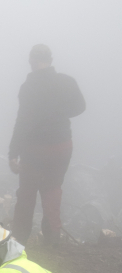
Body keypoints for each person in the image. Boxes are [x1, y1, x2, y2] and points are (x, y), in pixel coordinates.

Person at [8, 44, 85, 245]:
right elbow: (80, 107)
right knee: (53, 189)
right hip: (62, 147)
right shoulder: (67, 82)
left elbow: (22, 121)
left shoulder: (28, 87)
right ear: (50, 60)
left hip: (34, 149)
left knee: (27, 193)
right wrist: (58, 113)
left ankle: (18, 240)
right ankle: (52, 238)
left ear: (32, 61)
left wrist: (13, 153)